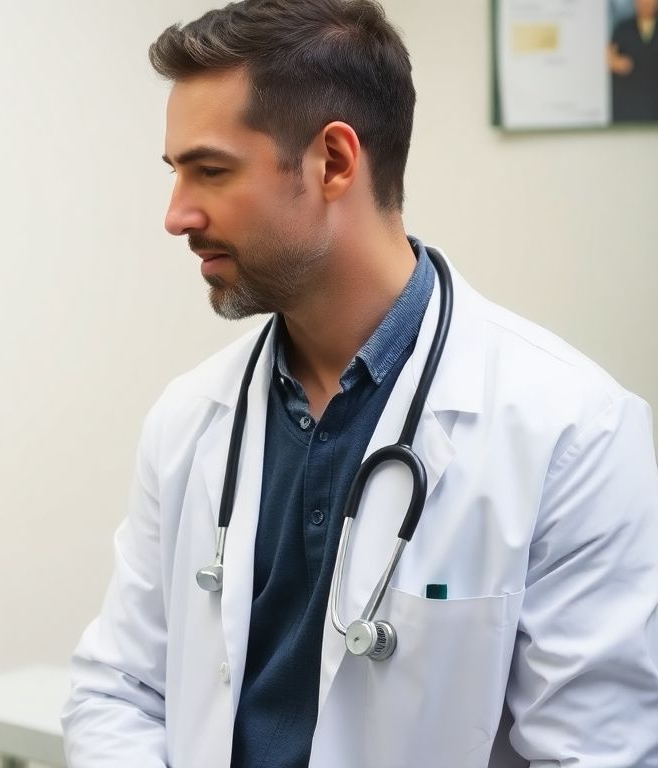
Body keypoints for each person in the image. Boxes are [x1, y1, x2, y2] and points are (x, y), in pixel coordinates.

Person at [61, 2, 658, 766]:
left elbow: (594, 754)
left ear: (335, 162)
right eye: (176, 172)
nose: (177, 214)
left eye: (210, 170)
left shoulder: (574, 431)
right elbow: (119, 690)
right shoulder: (190, 418)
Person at [609, 0, 658, 122]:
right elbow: (609, 57)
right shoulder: (622, 29)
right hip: (629, 104)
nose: (646, 3)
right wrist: (615, 63)